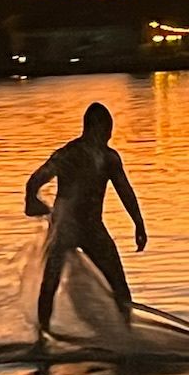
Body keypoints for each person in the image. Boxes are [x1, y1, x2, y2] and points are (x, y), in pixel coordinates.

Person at [24, 102, 147, 336]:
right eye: (107, 128)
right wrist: (32, 203)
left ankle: (126, 335)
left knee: (116, 285)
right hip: (69, 228)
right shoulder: (84, 155)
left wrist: (138, 222)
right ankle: (42, 336)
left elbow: (125, 191)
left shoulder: (85, 156)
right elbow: (34, 181)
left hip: (82, 228)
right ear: (96, 127)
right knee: (51, 284)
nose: (110, 134)